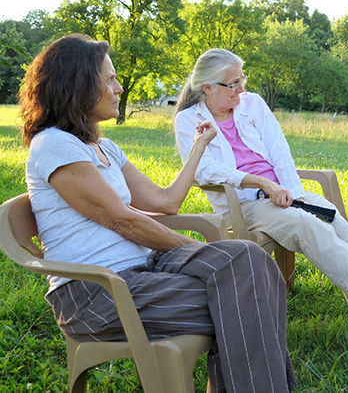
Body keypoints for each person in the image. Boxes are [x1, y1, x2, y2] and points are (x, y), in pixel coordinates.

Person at [20, 34, 297, 393]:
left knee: (251, 259)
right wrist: (187, 246)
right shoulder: (55, 145)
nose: (119, 88)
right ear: (77, 85)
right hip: (97, 293)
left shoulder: (104, 147)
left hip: (143, 272)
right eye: (110, 79)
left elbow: (165, 202)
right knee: (248, 299)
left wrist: (200, 147)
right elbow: (123, 220)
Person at [173, 48, 348, 349]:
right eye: (233, 84)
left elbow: (280, 151)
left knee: (334, 220)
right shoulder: (188, 120)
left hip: (283, 193)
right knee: (305, 224)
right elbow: (203, 171)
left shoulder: (252, 104)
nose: (241, 88)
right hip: (242, 204)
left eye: (241, 79)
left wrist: (293, 194)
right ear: (208, 88)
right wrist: (261, 183)